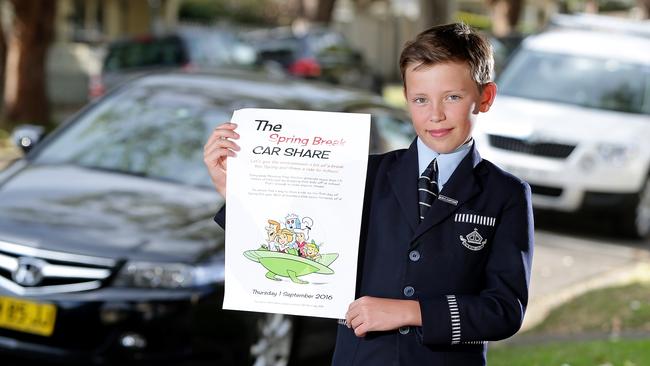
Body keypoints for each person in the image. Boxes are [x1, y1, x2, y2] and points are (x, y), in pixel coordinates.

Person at [203, 22, 534, 366]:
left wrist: (411, 312)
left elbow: (504, 310)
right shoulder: (362, 176)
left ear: (485, 97)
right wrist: (236, 195)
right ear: (406, 99)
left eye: (452, 97)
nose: (435, 114)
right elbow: (298, 254)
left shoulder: (506, 194)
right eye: (421, 99)